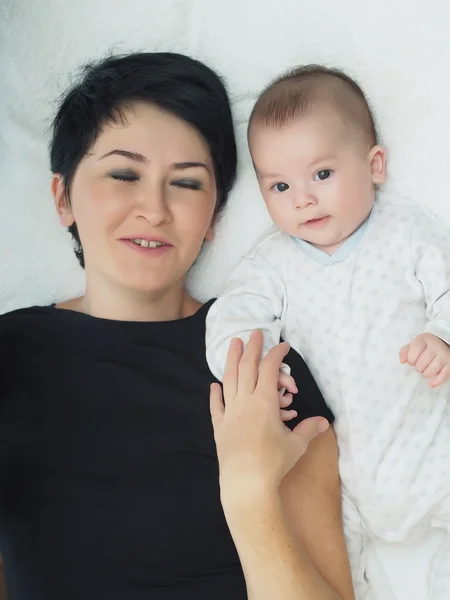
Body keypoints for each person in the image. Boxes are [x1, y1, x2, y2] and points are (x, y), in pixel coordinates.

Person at [0, 52, 354, 600]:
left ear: (214, 217)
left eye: (186, 184)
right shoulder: (11, 357)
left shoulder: (261, 367)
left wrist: (249, 497)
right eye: (123, 174)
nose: (155, 209)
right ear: (63, 196)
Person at [205, 64, 450, 599]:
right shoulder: (271, 263)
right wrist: (261, 365)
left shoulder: (408, 232)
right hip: (341, 477)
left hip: (430, 451)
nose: (302, 199)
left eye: (321, 175)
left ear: (374, 165)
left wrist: (442, 336)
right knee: (326, 558)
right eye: (280, 185)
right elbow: (231, 317)